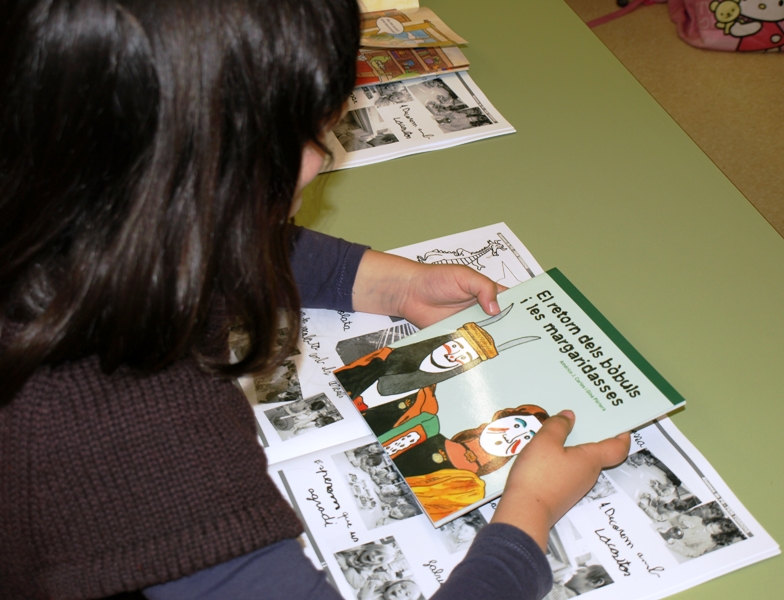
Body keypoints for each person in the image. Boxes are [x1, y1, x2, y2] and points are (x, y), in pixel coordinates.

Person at [0, 0, 630, 598]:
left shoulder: (64, 196)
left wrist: (385, 281)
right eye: (308, 137)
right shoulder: (138, 439)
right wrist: (528, 515)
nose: (322, 161)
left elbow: (217, 236)